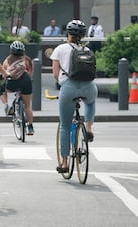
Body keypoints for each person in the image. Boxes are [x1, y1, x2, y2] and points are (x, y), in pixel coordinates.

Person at [51, 19, 97, 173]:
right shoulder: (87, 50)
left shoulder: (60, 49)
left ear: (68, 33)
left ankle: (64, 163)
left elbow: (56, 74)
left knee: (65, 126)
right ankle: (89, 127)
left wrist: (64, 84)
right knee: (90, 102)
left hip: (69, 87)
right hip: (88, 87)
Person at [2, 40, 35, 135]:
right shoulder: (27, 60)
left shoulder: (7, 60)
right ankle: (30, 126)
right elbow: (30, 73)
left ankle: (6, 104)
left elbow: (4, 74)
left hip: (11, 83)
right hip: (25, 81)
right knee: (28, 106)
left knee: (2, 89)